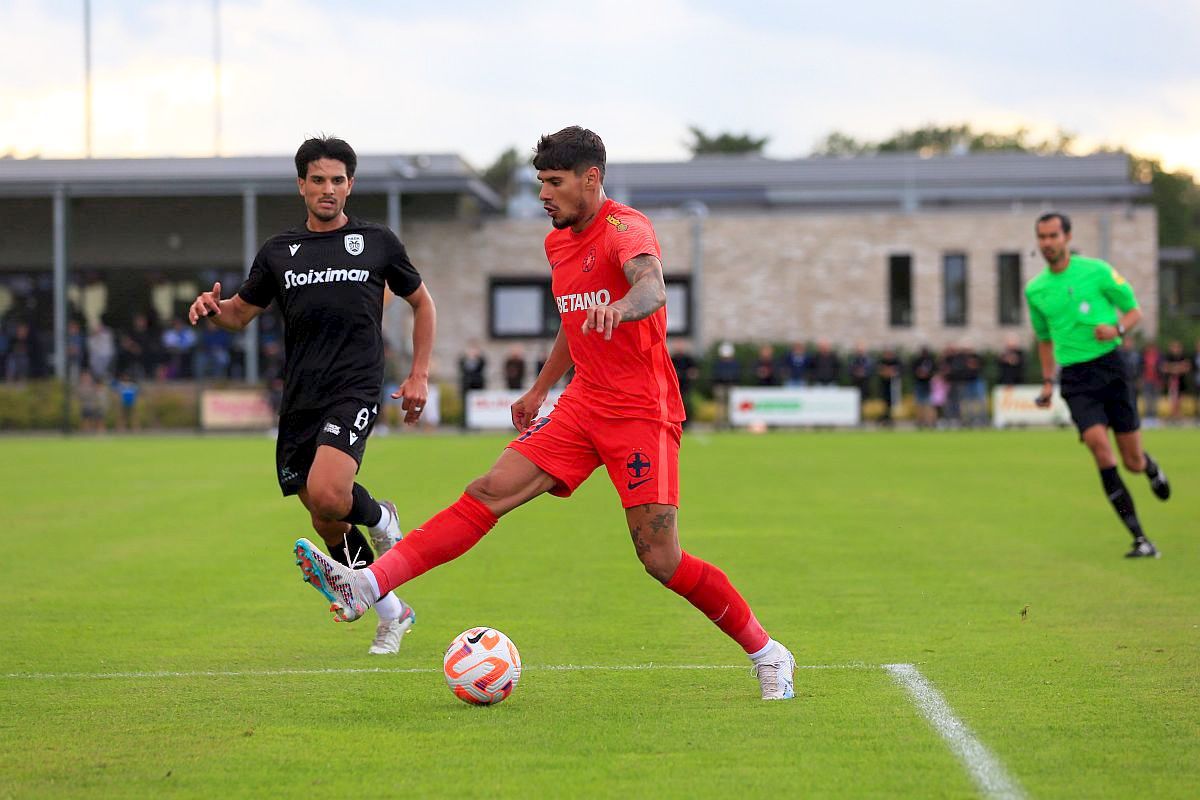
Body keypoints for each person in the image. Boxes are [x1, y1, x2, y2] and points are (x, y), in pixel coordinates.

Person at [293, 126, 796, 700]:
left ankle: (768, 652)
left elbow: (653, 288)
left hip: (642, 413)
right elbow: (571, 319)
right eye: (540, 183)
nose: (543, 195)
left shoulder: (626, 229)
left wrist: (622, 309)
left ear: (592, 179)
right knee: (487, 492)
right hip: (583, 406)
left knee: (660, 559)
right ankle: (368, 585)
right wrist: (540, 389)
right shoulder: (557, 243)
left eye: (554, 183)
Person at [188, 136, 435, 654]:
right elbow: (238, 313)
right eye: (318, 180)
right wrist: (212, 309)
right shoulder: (279, 252)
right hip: (301, 395)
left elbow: (422, 303)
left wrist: (418, 375)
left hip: (356, 385)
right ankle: (393, 612)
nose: (329, 189)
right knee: (326, 518)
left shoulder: (377, 242)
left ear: (351, 185)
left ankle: (382, 518)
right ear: (301, 184)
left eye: (338, 180)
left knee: (329, 494)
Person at [1026, 212, 1170, 558]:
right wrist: (1048, 382)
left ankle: (1150, 468)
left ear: (1067, 237)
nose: (1047, 243)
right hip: (1075, 378)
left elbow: (1134, 312)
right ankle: (1140, 538)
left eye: (1052, 236)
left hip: (1111, 368)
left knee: (1132, 460)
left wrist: (1118, 329)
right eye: (1041, 237)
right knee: (1098, 447)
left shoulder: (1098, 271)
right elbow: (1044, 340)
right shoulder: (1036, 290)